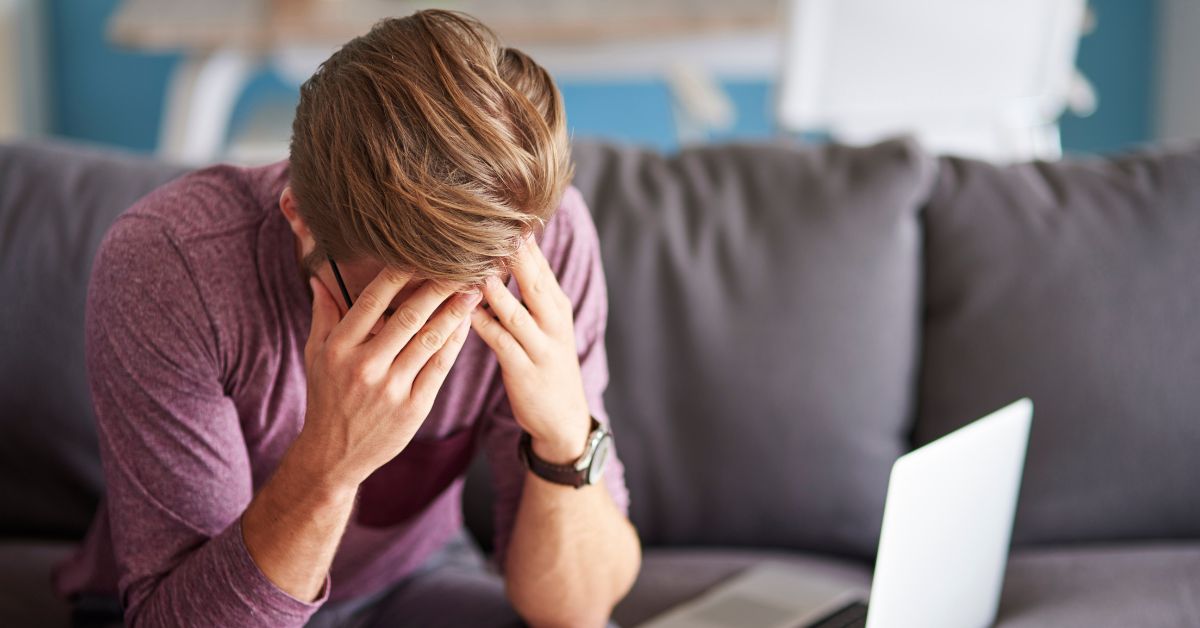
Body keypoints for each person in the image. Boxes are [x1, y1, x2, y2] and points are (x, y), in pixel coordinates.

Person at [52, 10, 642, 627]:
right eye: (397, 304)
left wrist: (564, 437)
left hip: (411, 582)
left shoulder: (543, 240)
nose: (445, 331)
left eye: (477, 294)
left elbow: (577, 611)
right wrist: (332, 463)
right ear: (298, 216)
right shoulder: (170, 262)